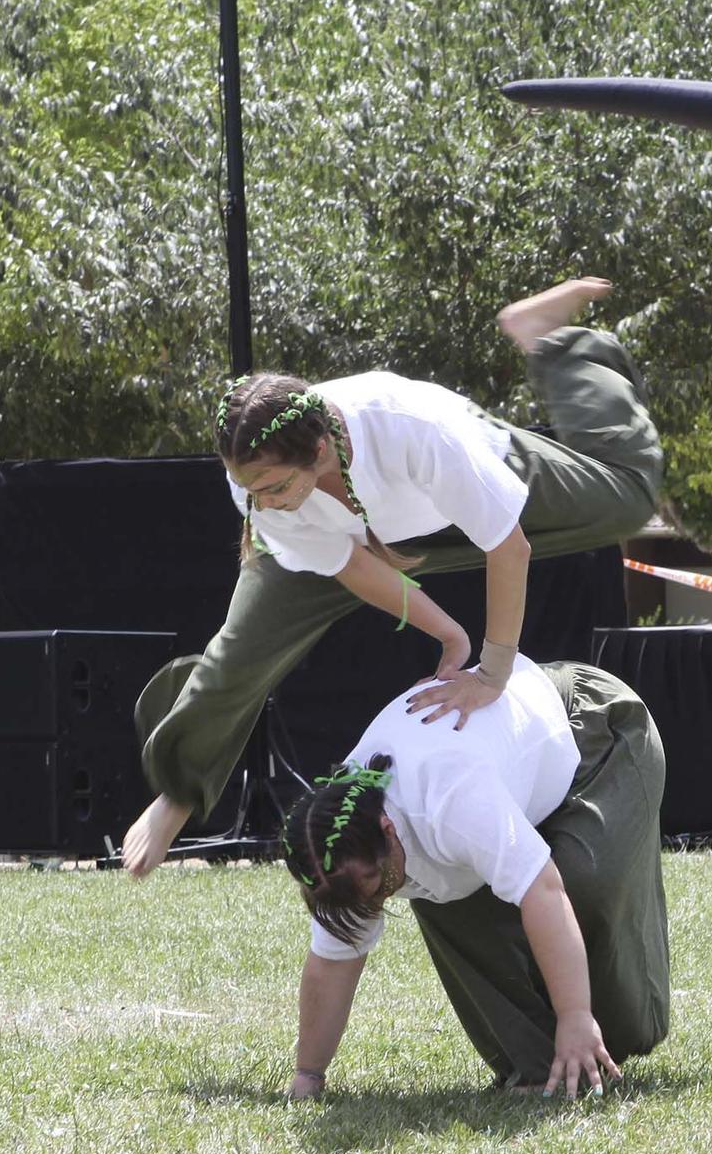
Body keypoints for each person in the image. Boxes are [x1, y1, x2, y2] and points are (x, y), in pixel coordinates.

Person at [123, 278, 664, 876]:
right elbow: (352, 567)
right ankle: (179, 788)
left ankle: (553, 341)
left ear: (322, 449)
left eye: (275, 486)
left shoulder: (417, 432)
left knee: (629, 498)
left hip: (456, 490)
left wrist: (491, 672)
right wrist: (450, 634)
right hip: (356, 540)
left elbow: (507, 548)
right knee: (239, 653)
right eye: (251, 490)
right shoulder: (262, 491)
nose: (264, 503)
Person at [281, 657, 670, 1101]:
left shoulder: (450, 796)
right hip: (512, 781)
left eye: (377, 886)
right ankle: (540, 1069)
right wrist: (308, 1074)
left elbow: (543, 890)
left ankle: (606, 1034)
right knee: (447, 902)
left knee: (581, 879)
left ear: (387, 830)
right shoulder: (335, 847)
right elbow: (333, 961)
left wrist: (575, 1015)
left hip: (595, 735)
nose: (371, 907)